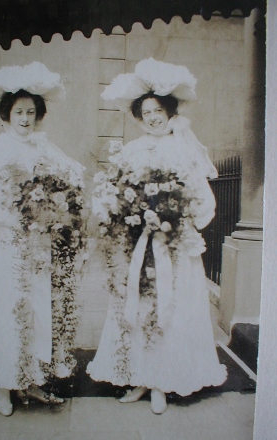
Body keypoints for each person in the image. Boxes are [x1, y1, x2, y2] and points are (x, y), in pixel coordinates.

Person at [87, 58, 227, 414]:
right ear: (138, 114)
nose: (153, 117)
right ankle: (138, 378)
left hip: (173, 246)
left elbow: (203, 200)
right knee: (138, 307)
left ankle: (164, 381)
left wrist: (175, 221)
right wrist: (125, 218)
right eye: (146, 111)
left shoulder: (185, 151)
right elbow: (113, 196)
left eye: (159, 110)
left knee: (171, 310)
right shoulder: (130, 151)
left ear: (170, 111)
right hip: (138, 245)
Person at [0, 62, 85, 416]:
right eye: (19, 112)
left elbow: (71, 185)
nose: (26, 119)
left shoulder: (46, 150)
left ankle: (28, 380)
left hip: (37, 248)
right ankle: (2, 385)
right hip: (4, 246)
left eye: (31, 112)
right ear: (7, 115)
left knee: (36, 313)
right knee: (5, 310)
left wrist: (59, 210)